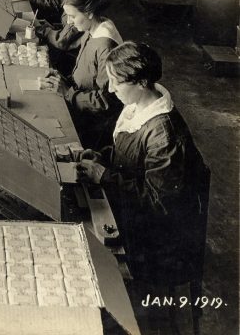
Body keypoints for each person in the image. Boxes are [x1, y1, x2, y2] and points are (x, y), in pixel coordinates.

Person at [77, 42, 208, 294]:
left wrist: (103, 176)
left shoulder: (163, 133)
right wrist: (103, 157)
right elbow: (130, 157)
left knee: (85, 243)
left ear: (141, 82)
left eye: (116, 81)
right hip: (133, 208)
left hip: (158, 239)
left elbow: (158, 202)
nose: (110, 88)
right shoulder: (139, 105)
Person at [42, 0, 122, 149]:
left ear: (90, 13)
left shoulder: (105, 46)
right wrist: (61, 79)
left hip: (95, 125)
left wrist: (68, 92)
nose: (69, 22)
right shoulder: (92, 29)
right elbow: (84, 74)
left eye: (72, 16)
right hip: (81, 104)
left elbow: (107, 102)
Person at [34, 0, 89, 73]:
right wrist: (50, 26)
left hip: (72, 58)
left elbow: (62, 40)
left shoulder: (76, 0)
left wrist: (42, 30)